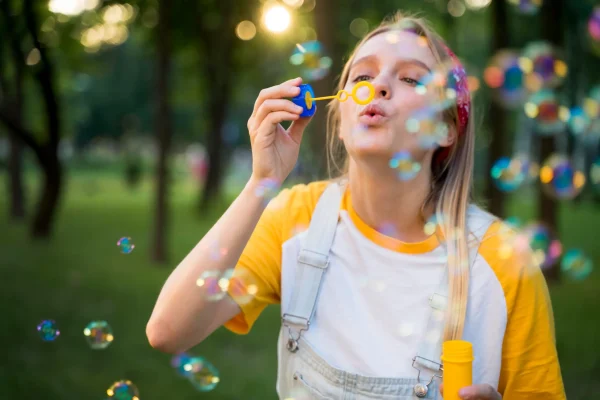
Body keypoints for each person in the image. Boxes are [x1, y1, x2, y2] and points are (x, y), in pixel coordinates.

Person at [146, 11, 566, 400]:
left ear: (446, 129)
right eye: (363, 74)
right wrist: (262, 182)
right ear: (340, 120)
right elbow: (168, 331)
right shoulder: (297, 219)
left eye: (412, 80)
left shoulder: (504, 264)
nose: (378, 84)